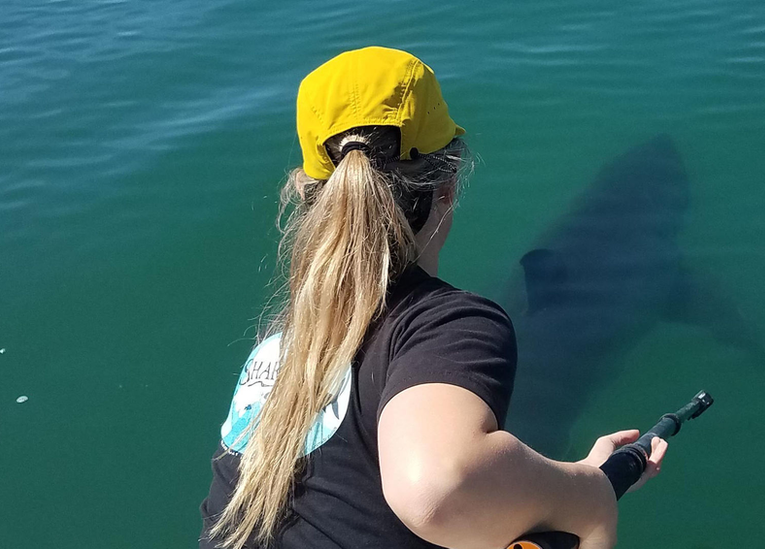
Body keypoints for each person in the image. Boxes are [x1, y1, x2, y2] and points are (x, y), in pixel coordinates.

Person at [200, 46, 668, 549]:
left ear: (314, 198)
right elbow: (437, 487)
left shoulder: (282, 349)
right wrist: (589, 491)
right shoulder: (448, 326)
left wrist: (561, 477)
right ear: (448, 186)